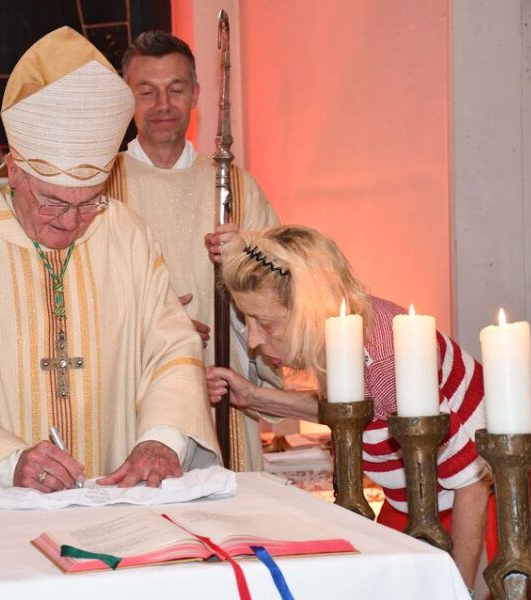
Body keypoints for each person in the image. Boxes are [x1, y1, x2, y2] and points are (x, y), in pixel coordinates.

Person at [0, 27, 219, 496]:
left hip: (117, 513)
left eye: (89, 202)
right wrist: (7, 462)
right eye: (52, 203)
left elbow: (170, 349)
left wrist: (161, 441)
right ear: (14, 171)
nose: (71, 223)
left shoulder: (127, 237)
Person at [205, 225, 491, 589]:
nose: (255, 339)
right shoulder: (341, 333)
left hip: (470, 501)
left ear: (307, 310)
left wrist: (458, 589)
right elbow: (356, 413)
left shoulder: (387, 361)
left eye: (266, 323)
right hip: (416, 496)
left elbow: (472, 480)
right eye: (248, 321)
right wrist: (254, 396)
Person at [104, 31, 280, 471]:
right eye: (147, 91)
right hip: (133, 402)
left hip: (225, 400)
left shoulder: (236, 188)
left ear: (197, 93)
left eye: (176, 89)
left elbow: (284, 293)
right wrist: (161, 327)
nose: (162, 104)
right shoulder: (102, 187)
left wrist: (246, 261)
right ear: (127, 97)